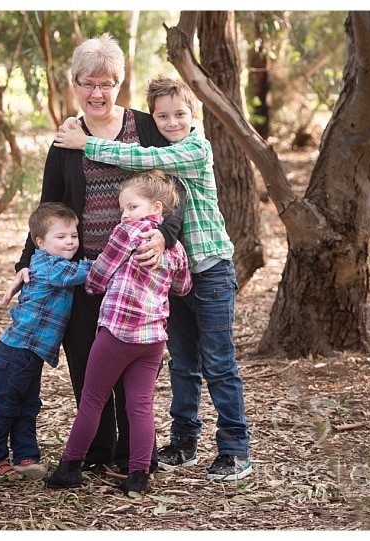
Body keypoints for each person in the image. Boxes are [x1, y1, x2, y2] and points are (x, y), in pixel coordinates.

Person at [1, 34, 186, 474]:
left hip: (138, 273)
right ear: (75, 84)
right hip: (85, 272)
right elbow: (48, 207)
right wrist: (27, 263)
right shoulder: (67, 139)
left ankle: (133, 457)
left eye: (107, 83)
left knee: (135, 373)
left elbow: (174, 194)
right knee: (86, 363)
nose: (97, 93)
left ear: (119, 84)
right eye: (88, 83)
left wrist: (166, 238)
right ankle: (97, 452)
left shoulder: (145, 129)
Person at [54, 75, 252, 481]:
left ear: (192, 114)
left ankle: (235, 450)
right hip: (176, 278)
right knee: (182, 364)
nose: (172, 121)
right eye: (162, 115)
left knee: (218, 364)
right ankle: (184, 442)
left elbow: (142, 161)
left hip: (210, 271)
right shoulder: (169, 149)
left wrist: (85, 143)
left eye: (180, 113)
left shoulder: (195, 150)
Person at [43, 169, 191, 495]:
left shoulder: (126, 233)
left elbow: (99, 275)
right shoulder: (174, 247)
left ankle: (70, 467)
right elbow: (183, 286)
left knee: (92, 399)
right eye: (123, 209)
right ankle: (138, 475)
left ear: (156, 208)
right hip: (152, 339)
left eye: (132, 207)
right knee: (140, 405)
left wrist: (95, 285)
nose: (125, 215)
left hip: (118, 332)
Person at [0, 202, 93, 479]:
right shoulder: (49, 266)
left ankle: (26, 456)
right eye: (61, 237)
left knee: (28, 405)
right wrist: (113, 258)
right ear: (40, 243)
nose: (70, 242)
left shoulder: (56, 262)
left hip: (30, 354)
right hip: (17, 352)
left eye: (74, 236)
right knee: (6, 408)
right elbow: (86, 272)